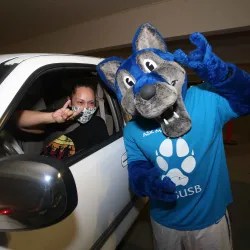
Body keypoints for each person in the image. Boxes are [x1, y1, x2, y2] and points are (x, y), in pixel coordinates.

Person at [97, 23, 250, 250]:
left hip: (209, 220)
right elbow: (137, 165)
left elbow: (246, 99)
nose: (144, 89)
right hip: (164, 222)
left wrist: (223, 74)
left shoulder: (206, 98)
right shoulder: (132, 130)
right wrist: (145, 182)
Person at [15, 79, 109, 159]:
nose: (86, 108)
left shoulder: (97, 124)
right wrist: (51, 118)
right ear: (70, 102)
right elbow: (16, 120)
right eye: (80, 102)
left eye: (91, 103)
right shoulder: (58, 114)